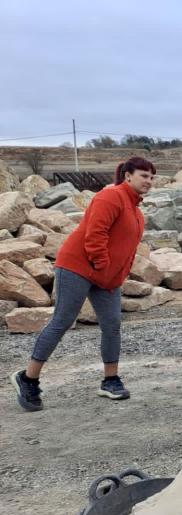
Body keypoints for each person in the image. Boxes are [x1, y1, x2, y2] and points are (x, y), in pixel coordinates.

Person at [10, 156, 155, 411]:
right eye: (144, 175)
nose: (149, 181)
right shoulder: (110, 197)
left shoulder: (136, 211)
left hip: (105, 277)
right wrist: (101, 265)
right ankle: (28, 378)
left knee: (112, 324)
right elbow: (95, 234)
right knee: (63, 321)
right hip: (77, 267)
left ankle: (110, 380)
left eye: (152, 177)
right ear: (128, 175)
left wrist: (115, 277)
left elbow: (128, 250)